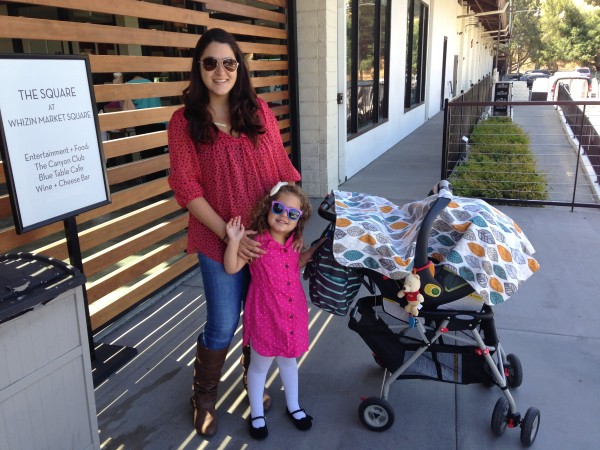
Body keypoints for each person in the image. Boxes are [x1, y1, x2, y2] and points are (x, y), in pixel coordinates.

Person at [167, 28, 301, 437]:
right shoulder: (184, 122)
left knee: (260, 315)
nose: (220, 71)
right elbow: (187, 189)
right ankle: (204, 396)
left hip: (265, 241)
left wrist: (291, 225)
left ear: (239, 67)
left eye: (229, 62)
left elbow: (282, 173)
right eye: (211, 62)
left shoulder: (259, 112)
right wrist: (230, 238)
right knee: (224, 323)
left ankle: (251, 377)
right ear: (199, 68)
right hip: (216, 240)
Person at [223, 183, 323, 440]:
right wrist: (234, 241)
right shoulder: (257, 242)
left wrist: (312, 251)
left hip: (292, 315)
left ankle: (294, 406)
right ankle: (257, 413)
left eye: (293, 213)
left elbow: (297, 264)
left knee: (289, 361)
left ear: (299, 219)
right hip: (265, 316)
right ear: (269, 208)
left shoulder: (294, 244)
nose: (284, 216)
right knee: (259, 367)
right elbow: (232, 267)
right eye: (279, 208)